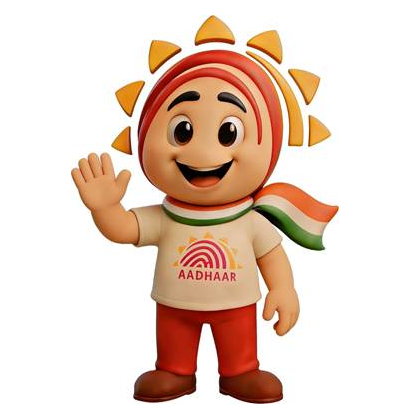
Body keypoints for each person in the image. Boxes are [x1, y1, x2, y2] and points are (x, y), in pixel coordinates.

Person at [71, 50, 337, 403]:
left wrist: (284, 289)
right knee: (173, 347)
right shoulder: (166, 216)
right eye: (182, 132)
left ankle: (240, 371)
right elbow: (124, 229)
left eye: (228, 133)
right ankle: (174, 370)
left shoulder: (249, 220)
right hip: (175, 307)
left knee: (239, 350)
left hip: (237, 307)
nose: (204, 152)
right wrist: (105, 208)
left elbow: (272, 256)